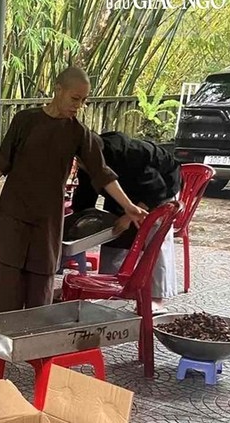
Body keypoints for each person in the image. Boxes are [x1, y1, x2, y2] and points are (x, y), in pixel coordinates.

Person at [0, 66, 148, 313]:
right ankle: (2, 335)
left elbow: (102, 172)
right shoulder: (25, 120)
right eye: (75, 98)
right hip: (14, 212)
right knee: (6, 281)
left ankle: (37, 334)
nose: (78, 105)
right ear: (58, 89)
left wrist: (128, 205)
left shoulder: (78, 133)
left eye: (83, 101)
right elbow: (3, 158)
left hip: (47, 218)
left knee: (41, 279)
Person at [71, 131, 181, 310]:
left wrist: (129, 216)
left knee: (154, 234)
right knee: (114, 230)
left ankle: (156, 297)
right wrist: (78, 227)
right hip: (124, 193)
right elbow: (84, 198)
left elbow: (157, 189)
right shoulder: (86, 160)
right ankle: (111, 290)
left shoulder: (129, 155)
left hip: (162, 186)